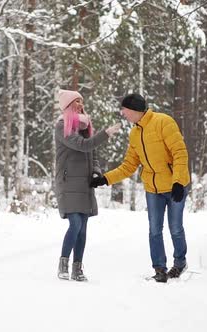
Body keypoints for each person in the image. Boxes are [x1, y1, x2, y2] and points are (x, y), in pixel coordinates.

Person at [91, 93, 190, 283]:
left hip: (174, 185)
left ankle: (179, 263)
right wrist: (105, 179)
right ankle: (160, 268)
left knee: (175, 228)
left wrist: (178, 182)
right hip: (153, 189)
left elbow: (179, 153)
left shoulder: (163, 122)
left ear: (135, 109)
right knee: (154, 230)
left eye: (125, 110)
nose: (123, 113)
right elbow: (129, 165)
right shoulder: (135, 133)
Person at [55, 89, 121, 281]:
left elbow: (92, 154)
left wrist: (96, 172)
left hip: (84, 183)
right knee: (75, 223)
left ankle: (77, 268)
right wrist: (106, 133)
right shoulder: (62, 127)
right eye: (76, 101)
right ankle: (63, 263)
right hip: (68, 183)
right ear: (68, 105)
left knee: (83, 227)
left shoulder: (84, 128)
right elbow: (84, 146)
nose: (80, 104)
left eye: (81, 101)